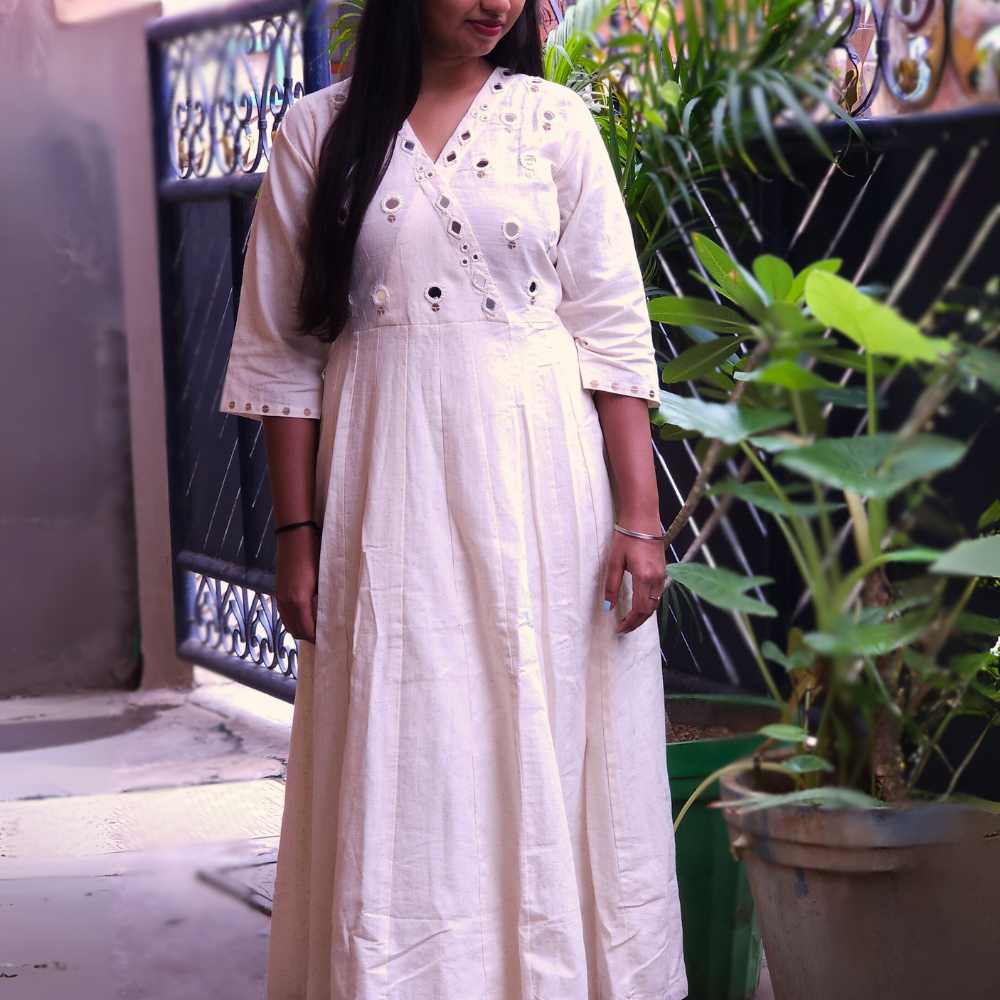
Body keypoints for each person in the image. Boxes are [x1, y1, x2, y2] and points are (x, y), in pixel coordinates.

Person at [220, 1, 687, 997]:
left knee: (547, 728)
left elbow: (610, 331)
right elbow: (282, 356)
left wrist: (640, 518)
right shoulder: (317, 133)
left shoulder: (554, 121)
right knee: (407, 740)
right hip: (383, 496)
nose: (496, 4)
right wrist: (296, 539)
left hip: (542, 491)